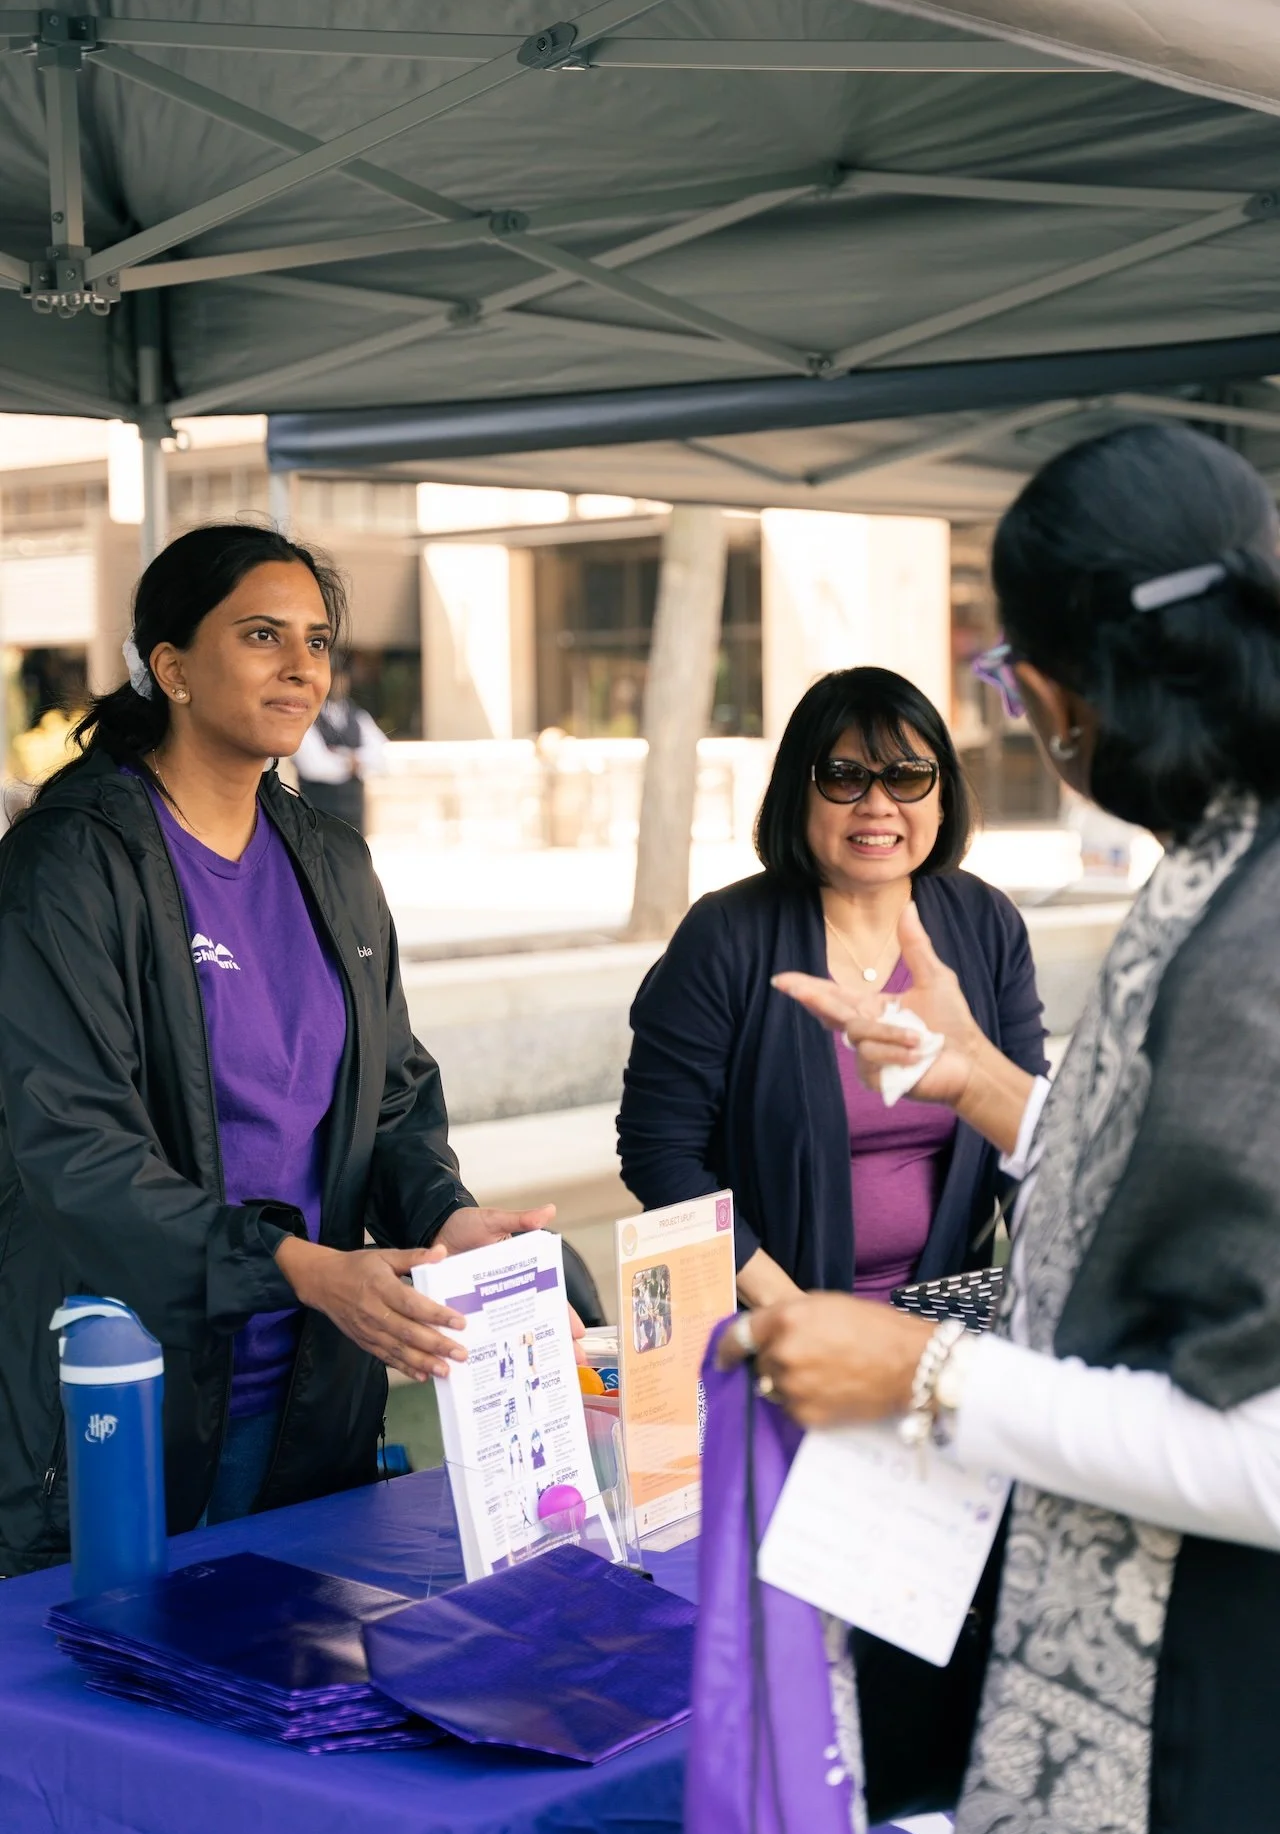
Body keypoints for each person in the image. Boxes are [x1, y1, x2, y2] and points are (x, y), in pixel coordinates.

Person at [724, 424, 1280, 1834]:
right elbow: (1200, 1187)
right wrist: (991, 1091)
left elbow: (1266, 1452)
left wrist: (930, 1373)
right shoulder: (1228, 866)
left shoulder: (1255, 934)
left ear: (1046, 690)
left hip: (1220, 1695)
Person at [0, 523, 557, 1576]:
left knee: (294, 1700)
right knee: (121, 1721)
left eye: (316, 639)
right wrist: (298, 1268)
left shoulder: (332, 862)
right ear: (169, 666)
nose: (301, 666)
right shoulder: (68, 865)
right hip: (119, 1402)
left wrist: (445, 1214)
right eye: (262, 635)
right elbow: (73, 1147)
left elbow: (390, 1106)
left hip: (311, 1398)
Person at [617, 666, 1046, 1308]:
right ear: (799, 792)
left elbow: (1028, 1129)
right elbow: (660, 1155)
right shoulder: (725, 936)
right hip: (773, 1329)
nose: (877, 804)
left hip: (943, 1325)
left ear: (942, 796)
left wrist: (1055, 1291)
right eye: (844, 777)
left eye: (906, 776)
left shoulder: (986, 924)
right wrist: (797, 1316)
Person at [291, 653, 387, 834]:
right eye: (333, 676)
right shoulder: (306, 716)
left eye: (341, 676)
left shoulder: (358, 716)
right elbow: (314, 766)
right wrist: (354, 762)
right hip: (317, 819)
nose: (338, 682)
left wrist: (342, 757)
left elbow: (381, 757)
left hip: (354, 818)